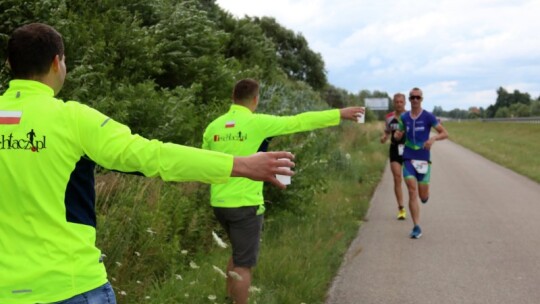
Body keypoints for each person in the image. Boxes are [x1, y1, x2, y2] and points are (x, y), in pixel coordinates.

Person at [0, 23, 295, 304]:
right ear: (56, 63)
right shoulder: (73, 119)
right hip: (71, 285)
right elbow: (155, 156)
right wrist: (241, 165)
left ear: (10, 65)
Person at [202, 78, 365, 304]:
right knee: (244, 264)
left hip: (219, 204)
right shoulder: (258, 123)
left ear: (233, 98)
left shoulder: (213, 127)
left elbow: (205, 165)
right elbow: (299, 121)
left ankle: (227, 298)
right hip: (246, 205)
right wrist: (339, 114)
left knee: (238, 253)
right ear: (255, 99)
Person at [394, 87, 448, 239]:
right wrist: (398, 135)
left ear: (421, 99)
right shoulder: (404, 118)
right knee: (412, 190)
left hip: (423, 158)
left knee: (422, 196)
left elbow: (445, 133)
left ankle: (425, 196)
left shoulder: (428, 117)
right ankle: (416, 226)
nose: (415, 100)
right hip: (408, 157)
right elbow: (399, 133)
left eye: (418, 97)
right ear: (409, 100)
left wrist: (433, 139)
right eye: (412, 98)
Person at [380, 93, 407, 220]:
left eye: (401, 102)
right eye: (397, 102)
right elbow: (387, 131)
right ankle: (401, 208)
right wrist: (384, 137)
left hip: (409, 150)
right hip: (395, 149)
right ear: (393, 103)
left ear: (405, 103)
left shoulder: (409, 116)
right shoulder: (389, 117)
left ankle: (412, 200)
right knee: (397, 178)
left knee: (409, 180)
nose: (399, 104)